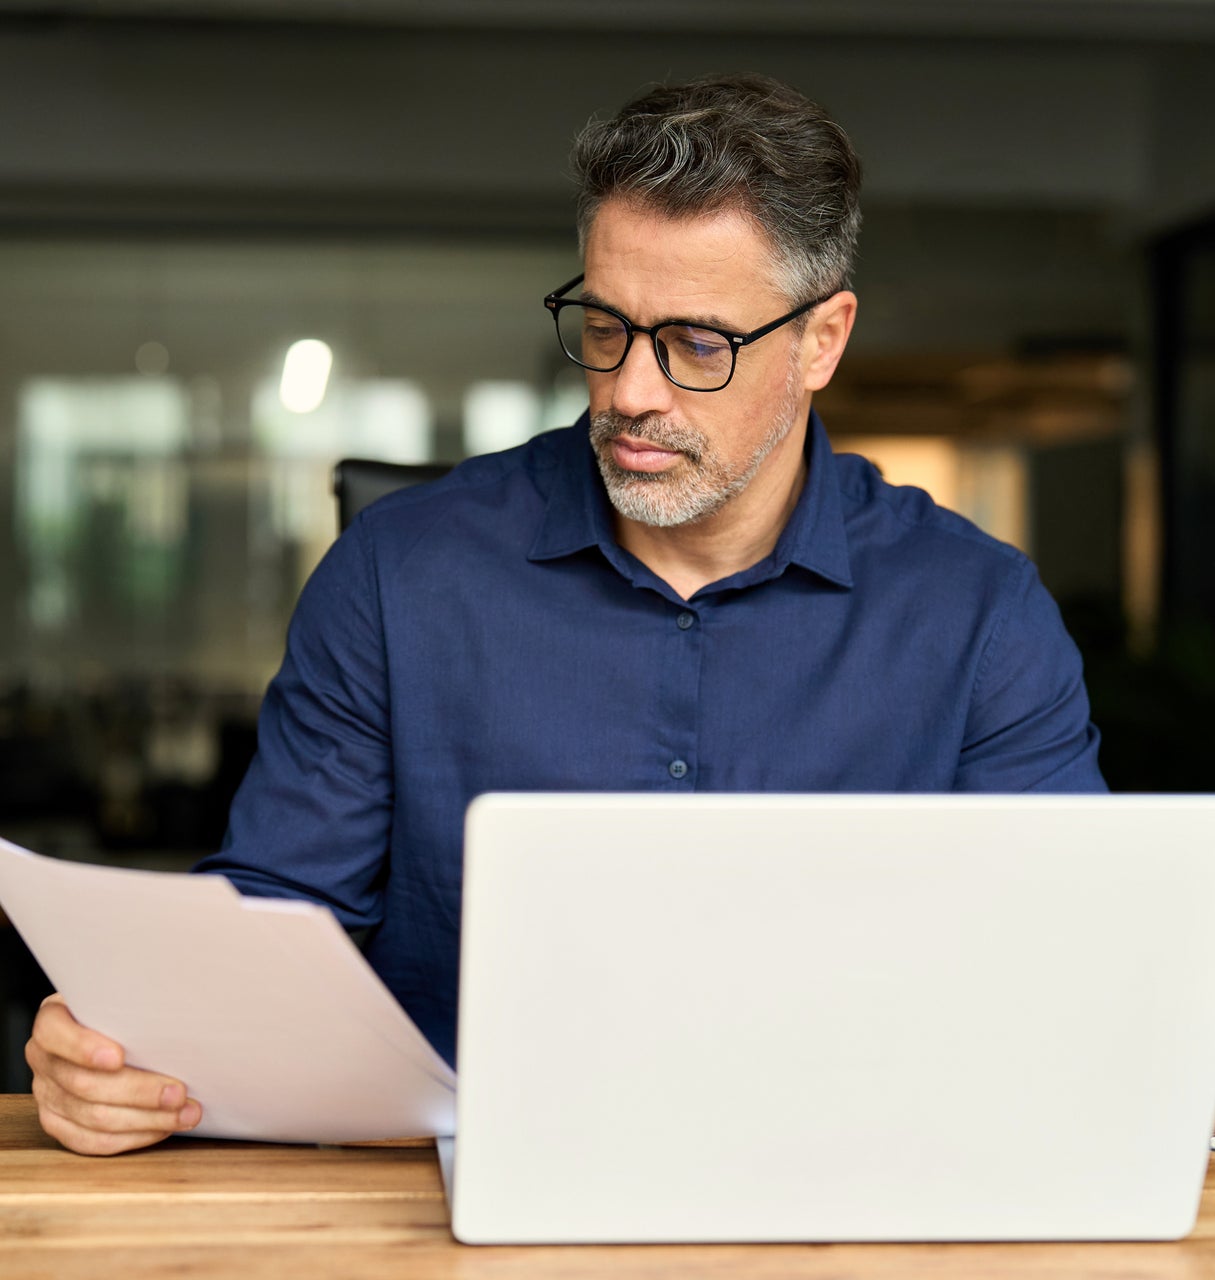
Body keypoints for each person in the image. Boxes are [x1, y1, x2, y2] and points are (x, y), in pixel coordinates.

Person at [27, 73, 1105, 1155]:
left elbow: (1068, 977)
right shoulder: (398, 577)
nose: (631, 390)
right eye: (604, 324)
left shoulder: (975, 612)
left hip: (851, 1177)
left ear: (821, 339)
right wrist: (132, 1053)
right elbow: (265, 931)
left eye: (694, 343)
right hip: (451, 1194)